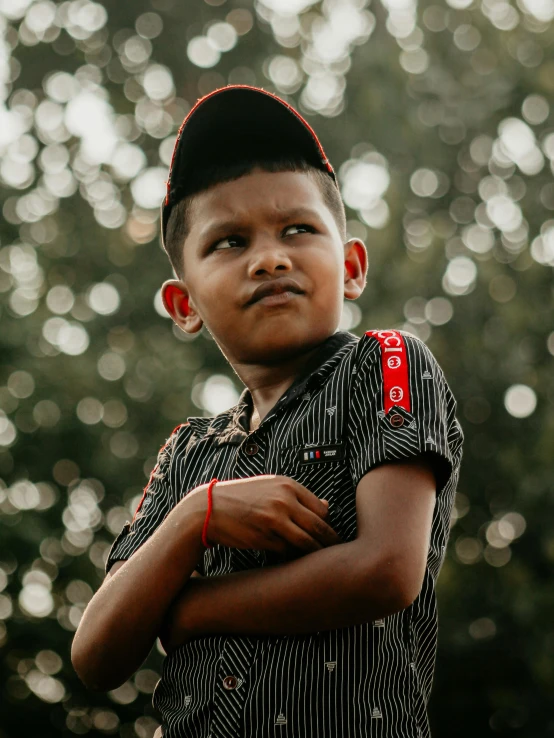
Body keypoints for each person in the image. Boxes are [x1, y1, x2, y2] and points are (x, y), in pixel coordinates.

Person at [72, 85, 464, 738]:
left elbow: (388, 570)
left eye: (298, 229)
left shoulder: (387, 362)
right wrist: (194, 518)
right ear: (184, 305)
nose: (270, 257)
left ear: (352, 266)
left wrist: (191, 611)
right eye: (229, 242)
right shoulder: (187, 454)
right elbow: (95, 656)